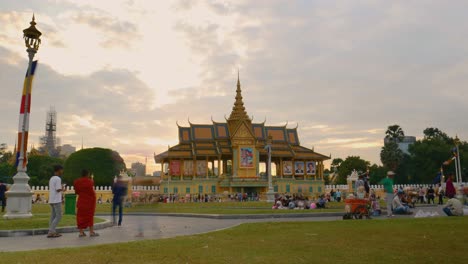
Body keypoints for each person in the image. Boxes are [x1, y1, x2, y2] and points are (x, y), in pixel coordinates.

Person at [74, 169, 98, 237]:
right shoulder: (90, 181)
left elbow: (77, 192)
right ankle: (91, 232)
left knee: (80, 216)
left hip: (81, 201)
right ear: (87, 174)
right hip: (89, 202)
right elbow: (91, 191)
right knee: (90, 216)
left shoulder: (77, 182)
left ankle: (81, 233)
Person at [47, 165, 65, 238]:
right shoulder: (58, 178)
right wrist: (62, 188)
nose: (62, 171)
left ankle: (52, 231)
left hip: (51, 199)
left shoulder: (52, 178)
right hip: (56, 200)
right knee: (59, 216)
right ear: (59, 170)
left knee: (53, 216)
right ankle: (51, 231)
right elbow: (58, 189)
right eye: (61, 170)